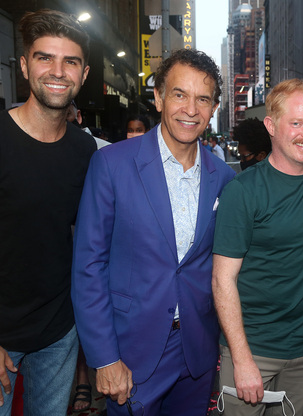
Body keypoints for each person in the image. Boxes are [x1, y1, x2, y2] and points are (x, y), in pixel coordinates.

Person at [71, 48, 235, 416]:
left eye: (203, 99)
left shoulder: (224, 178)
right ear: (159, 98)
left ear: (214, 107)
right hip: (131, 352)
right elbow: (88, 266)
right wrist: (104, 357)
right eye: (179, 94)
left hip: (196, 351)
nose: (190, 109)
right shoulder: (111, 164)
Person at [0, 8, 95, 415]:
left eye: (70, 61)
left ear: (84, 74)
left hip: (58, 335)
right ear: (24, 65)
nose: (58, 71)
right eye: (44, 58)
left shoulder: (84, 150)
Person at [212, 78, 303, 416]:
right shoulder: (242, 192)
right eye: (296, 123)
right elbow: (222, 280)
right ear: (271, 126)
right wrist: (241, 360)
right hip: (252, 349)